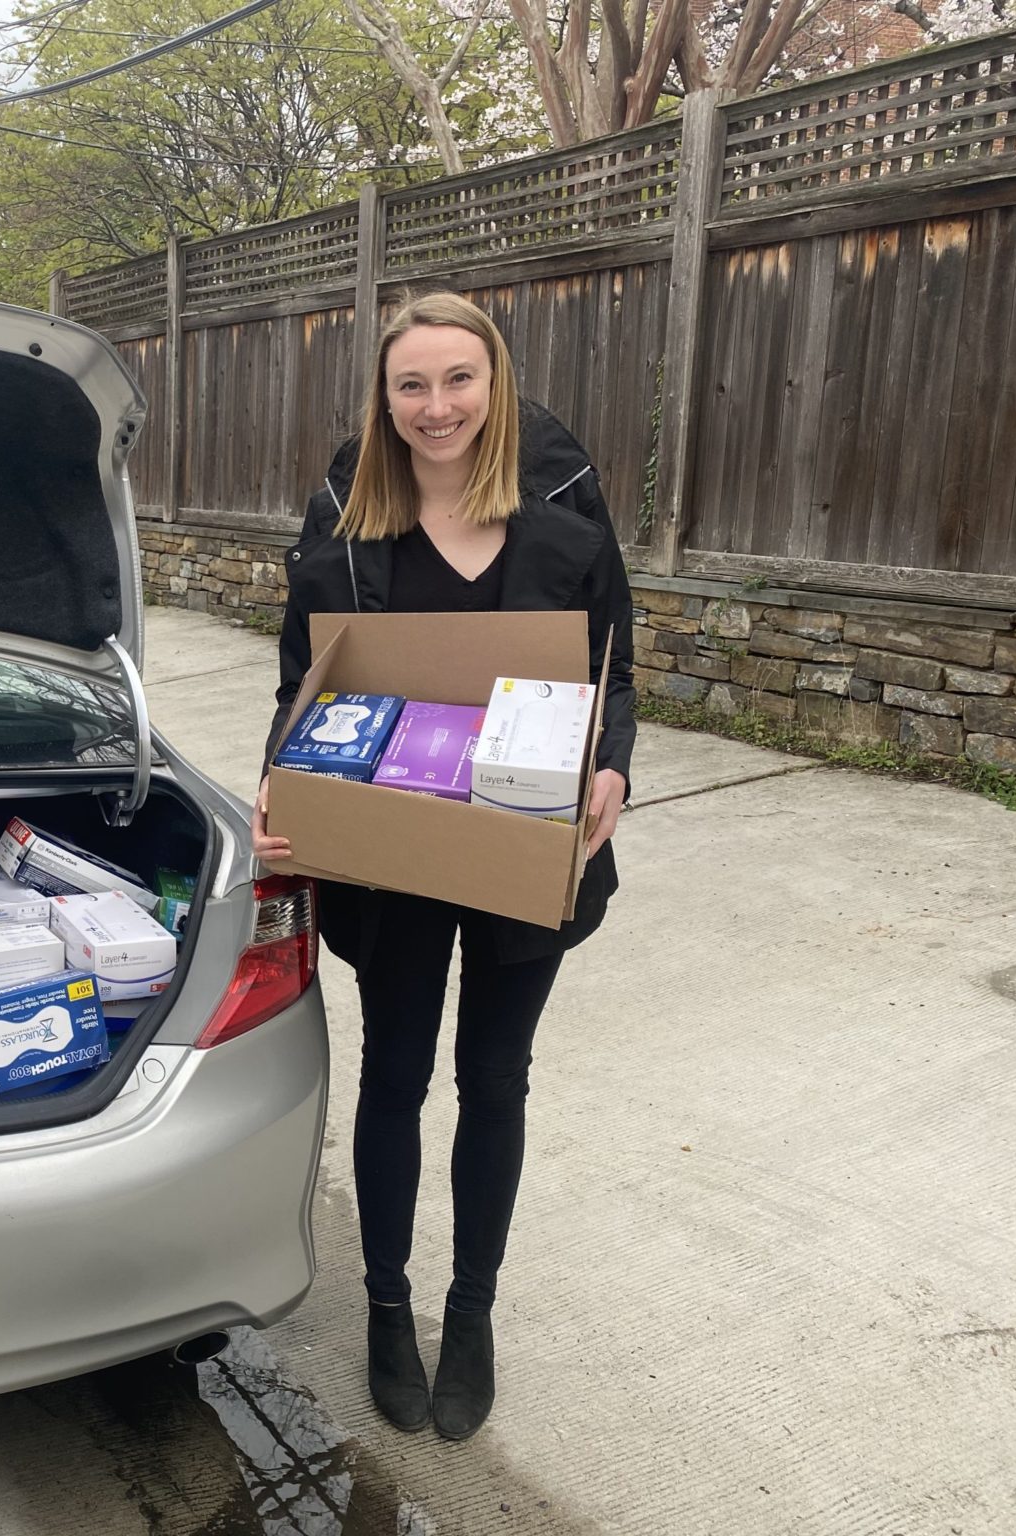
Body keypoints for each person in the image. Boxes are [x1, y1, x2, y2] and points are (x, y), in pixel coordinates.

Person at [250, 291, 636, 1442]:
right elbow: (298, 684)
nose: (435, 407)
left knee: (495, 1080)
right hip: (395, 850)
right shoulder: (346, 532)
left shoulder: (560, 523)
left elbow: (613, 667)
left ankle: (469, 1314)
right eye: (410, 385)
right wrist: (279, 779)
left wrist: (610, 767)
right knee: (395, 1075)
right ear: (384, 398)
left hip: (522, 841)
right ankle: (385, 1306)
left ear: (495, 385)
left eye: (457, 380)